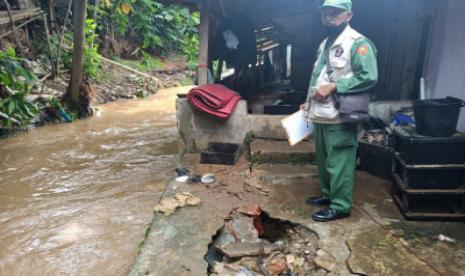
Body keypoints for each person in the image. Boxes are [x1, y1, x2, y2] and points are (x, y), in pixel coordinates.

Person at [301, 0, 378, 222]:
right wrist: (307, 103)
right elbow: (319, 77)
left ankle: (341, 206)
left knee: (340, 163)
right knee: (325, 161)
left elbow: (369, 76)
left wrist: (336, 86)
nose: (329, 18)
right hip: (321, 114)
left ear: (349, 15)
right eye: (325, 14)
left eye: (335, 14)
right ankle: (327, 195)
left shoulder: (358, 43)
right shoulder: (325, 43)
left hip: (341, 115)